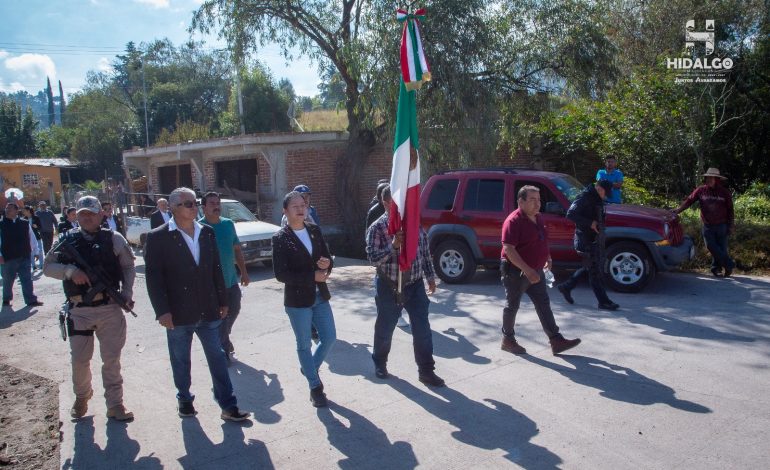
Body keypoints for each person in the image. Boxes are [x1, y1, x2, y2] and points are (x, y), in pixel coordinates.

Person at [144, 187, 249, 421]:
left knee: (218, 357)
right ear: (173, 208)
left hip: (209, 310)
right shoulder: (158, 237)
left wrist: (223, 301)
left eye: (194, 203)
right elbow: (154, 278)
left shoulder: (207, 233)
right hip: (178, 313)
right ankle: (184, 399)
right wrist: (162, 311)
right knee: (181, 359)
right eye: (188, 204)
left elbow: (216, 269)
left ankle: (228, 405)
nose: (194, 207)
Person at [43, 195, 135, 421]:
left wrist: (127, 293)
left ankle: (115, 404)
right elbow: (48, 267)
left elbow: (128, 267)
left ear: (100, 215)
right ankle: (82, 396)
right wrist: (70, 272)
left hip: (109, 307)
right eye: (82, 213)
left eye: (91, 214)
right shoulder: (66, 240)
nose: (86, 218)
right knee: (80, 361)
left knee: (111, 360)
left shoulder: (114, 238)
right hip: (79, 310)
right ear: (76, 215)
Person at [365, 185, 445, 387]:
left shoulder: (413, 222)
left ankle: (426, 371)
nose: (403, 204)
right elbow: (373, 259)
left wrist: (430, 276)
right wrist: (392, 246)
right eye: (397, 201)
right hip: (389, 285)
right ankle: (380, 363)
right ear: (385, 203)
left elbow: (424, 249)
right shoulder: (377, 227)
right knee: (385, 328)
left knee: (422, 330)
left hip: (415, 284)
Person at [499, 185, 581, 356]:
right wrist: (527, 270)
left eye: (539, 200)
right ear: (521, 202)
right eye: (532, 200)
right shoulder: (513, 221)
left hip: (536, 270)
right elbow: (508, 249)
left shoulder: (538, 217)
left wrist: (548, 257)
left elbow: (541, 240)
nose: (537, 204)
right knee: (512, 306)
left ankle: (555, 340)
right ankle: (508, 339)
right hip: (516, 272)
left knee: (543, 304)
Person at [272, 191, 336, 407]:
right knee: (303, 344)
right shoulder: (280, 238)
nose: (301, 209)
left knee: (329, 337)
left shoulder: (314, 230)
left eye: (303, 205)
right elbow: (281, 274)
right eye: (295, 206)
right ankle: (315, 386)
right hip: (297, 301)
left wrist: (327, 265)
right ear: (285, 211)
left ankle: (309, 368)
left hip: (320, 295)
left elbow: (326, 257)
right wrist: (311, 276)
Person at [199, 191, 250, 361]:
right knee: (218, 316)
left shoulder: (228, 224)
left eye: (217, 203)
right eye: (212, 203)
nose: (216, 206)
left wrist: (244, 272)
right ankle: (224, 351)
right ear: (204, 207)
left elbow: (237, 249)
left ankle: (224, 338)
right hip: (211, 285)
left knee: (234, 309)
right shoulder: (199, 228)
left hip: (230, 280)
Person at [556, 180, 619, 310]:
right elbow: (570, 214)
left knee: (590, 267)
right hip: (584, 240)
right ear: (598, 188)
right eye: (604, 193)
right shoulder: (584, 198)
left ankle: (566, 287)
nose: (605, 196)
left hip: (593, 239)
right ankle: (604, 302)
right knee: (594, 271)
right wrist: (590, 223)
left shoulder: (596, 198)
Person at [673, 167, 735, 277]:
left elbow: (730, 210)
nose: (709, 180)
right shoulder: (701, 190)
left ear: (717, 179)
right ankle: (728, 264)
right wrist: (678, 210)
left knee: (722, 249)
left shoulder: (724, 192)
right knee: (711, 246)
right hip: (708, 226)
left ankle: (717, 269)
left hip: (722, 225)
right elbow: (689, 201)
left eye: (712, 178)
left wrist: (731, 225)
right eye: (707, 178)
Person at [0, 202, 43, 308]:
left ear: (16, 210)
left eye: (10, 208)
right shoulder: (1, 224)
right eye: (6, 208)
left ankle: (31, 300)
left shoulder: (24, 223)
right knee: (8, 280)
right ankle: (6, 299)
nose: (7, 210)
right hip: (8, 257)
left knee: (27, 278)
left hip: (24, 255)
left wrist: (36, 251)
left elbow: (31, 237)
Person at [21, 205, 44, 271]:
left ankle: (41, 264)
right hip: (28, 238)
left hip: (37, 236)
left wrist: (36, 226)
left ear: (28, 211)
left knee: (39, 250)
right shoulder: (23, 219)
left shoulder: (36, 218)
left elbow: (40, 227)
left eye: (24, 211)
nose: (23, 212)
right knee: (30, 252)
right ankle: (33, 266)